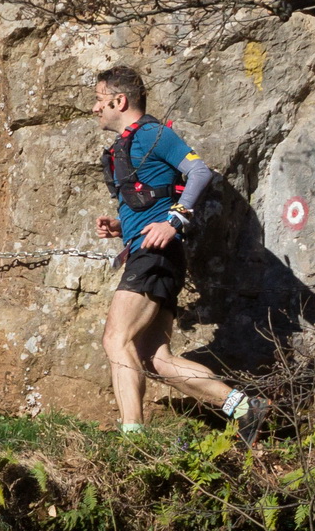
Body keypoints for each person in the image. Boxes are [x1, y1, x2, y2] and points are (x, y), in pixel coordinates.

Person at [89, 66, 266, 444]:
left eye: (98, 99)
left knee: (115, 339)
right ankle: (244, 407)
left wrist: (174, 221)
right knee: (156, 358)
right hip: (153, 254)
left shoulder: (153, 134)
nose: (94, 108)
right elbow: (153, 197)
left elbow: (199, 172)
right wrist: (123, 227)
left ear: (119, 101)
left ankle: (134, 440)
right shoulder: (129, 145)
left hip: (155, 255)